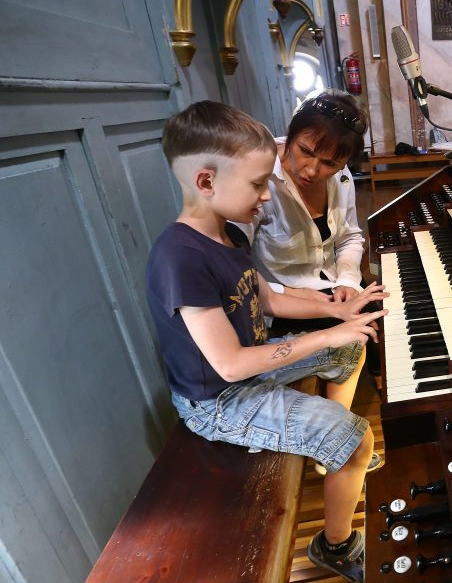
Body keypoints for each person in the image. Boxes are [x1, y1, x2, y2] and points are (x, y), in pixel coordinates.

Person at [146, 100, 386, 582]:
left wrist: (337, 310)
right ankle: (335, 546)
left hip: (245, 373)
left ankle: (332, 453)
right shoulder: (181, 257)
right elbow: (231, 365)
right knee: (356, 437)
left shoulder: (226, 238)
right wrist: (325, 335)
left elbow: (273, 302)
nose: (266, 195)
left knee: (348, 347)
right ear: (207, 181)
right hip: (216, 399)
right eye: (257, 184)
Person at [240, 91, 382, 377]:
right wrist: (292, 292)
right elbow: (236, 270)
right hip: (282, 303)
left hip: (332, 286)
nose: (312, 170)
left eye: (330, 163)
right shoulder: (259, 179)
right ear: (291, 135)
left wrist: (348, 281)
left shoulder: (341, 178)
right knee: (356, 338)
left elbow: (349, 238)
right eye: (306, 151)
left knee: (386, 323)